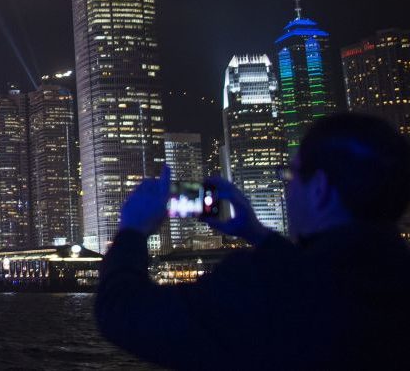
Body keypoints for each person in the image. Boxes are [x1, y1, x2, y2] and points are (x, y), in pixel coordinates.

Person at [95, 113, 410, 370]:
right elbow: (324, 274)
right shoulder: (392, 278)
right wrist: (256, 233)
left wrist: (133, 231)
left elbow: (123, 312)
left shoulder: (261, 288)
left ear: (320, 188)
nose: (287, 189)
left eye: (290, 175)